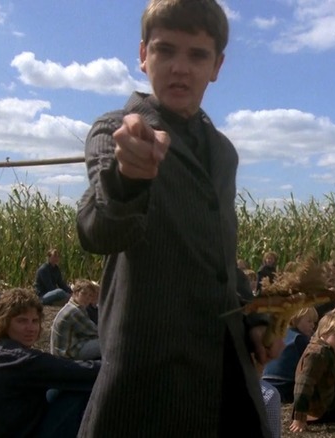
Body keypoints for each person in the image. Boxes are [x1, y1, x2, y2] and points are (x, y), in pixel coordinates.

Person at [75, 1, 271, 435]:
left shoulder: (222, 152)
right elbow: (98, 230)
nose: (180, 68)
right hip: (150, 382)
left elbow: (221, 253)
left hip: (225, 378)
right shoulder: (115, 131)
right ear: (143, 55)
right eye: (166, 51)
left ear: (217, 65)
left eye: (197, 55)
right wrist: (128, 178)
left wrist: (252, 319)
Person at [0, 288, 100, 438]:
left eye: (35, 321)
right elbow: (84, 372)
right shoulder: (22, 360)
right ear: (3, 323)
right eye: (22, 321)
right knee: (78, 390)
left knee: (59, 387)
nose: (31, 328)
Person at [262, 307, 318, 403]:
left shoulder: (280, 334)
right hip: (285, 385)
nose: (313, 325)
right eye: (309, 321)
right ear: (296, 319)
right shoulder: (300, 339)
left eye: (314, 322)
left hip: (266, 383)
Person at [51, 280, 101, 360]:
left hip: (63, 350)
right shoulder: (74, 311)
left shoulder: (72, 306)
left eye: (90, 295)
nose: (87, 298)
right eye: (84, 294)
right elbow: (96, 332)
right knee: (106, 343)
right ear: (76, 293)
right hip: (66, 354)